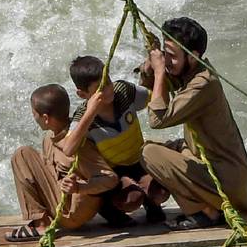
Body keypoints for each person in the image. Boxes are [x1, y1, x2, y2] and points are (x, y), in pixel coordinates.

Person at [139, 17, 247, 230]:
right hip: (219, 168)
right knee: (167, 147)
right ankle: (194, 202)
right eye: (165, 53)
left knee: (150, 154)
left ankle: (204, 212)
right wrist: (150, 70)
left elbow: (158, 118)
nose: (167, 60)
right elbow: (158, 90)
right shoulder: (191, 71)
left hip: (227, 181)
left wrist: (161, 71)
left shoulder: (203, 84)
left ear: (193, 56)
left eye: (172, 56)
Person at [62, 56, 168, 226]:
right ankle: (109, 209)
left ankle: (152, 204)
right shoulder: (83, 116)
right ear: (83, 94)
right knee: (132, 199)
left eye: (108, 82)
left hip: (138, 160)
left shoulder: (123, 91)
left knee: (161, 191)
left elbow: (153, 97)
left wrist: (158, 71)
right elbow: (68, 149)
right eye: (100, 88)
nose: (109, 90)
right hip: (113, 173)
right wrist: (91, 113)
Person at [6, 84, 119, 242]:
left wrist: (80, 187)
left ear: (46, 118)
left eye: (34, 114)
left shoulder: (77, 144)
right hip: (63, 201)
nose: (34, 118)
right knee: (30, 155)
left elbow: (110, 178)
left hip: (71, 213)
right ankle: (41, 217)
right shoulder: (51, 137)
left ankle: (41, 224)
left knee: (22, 155)